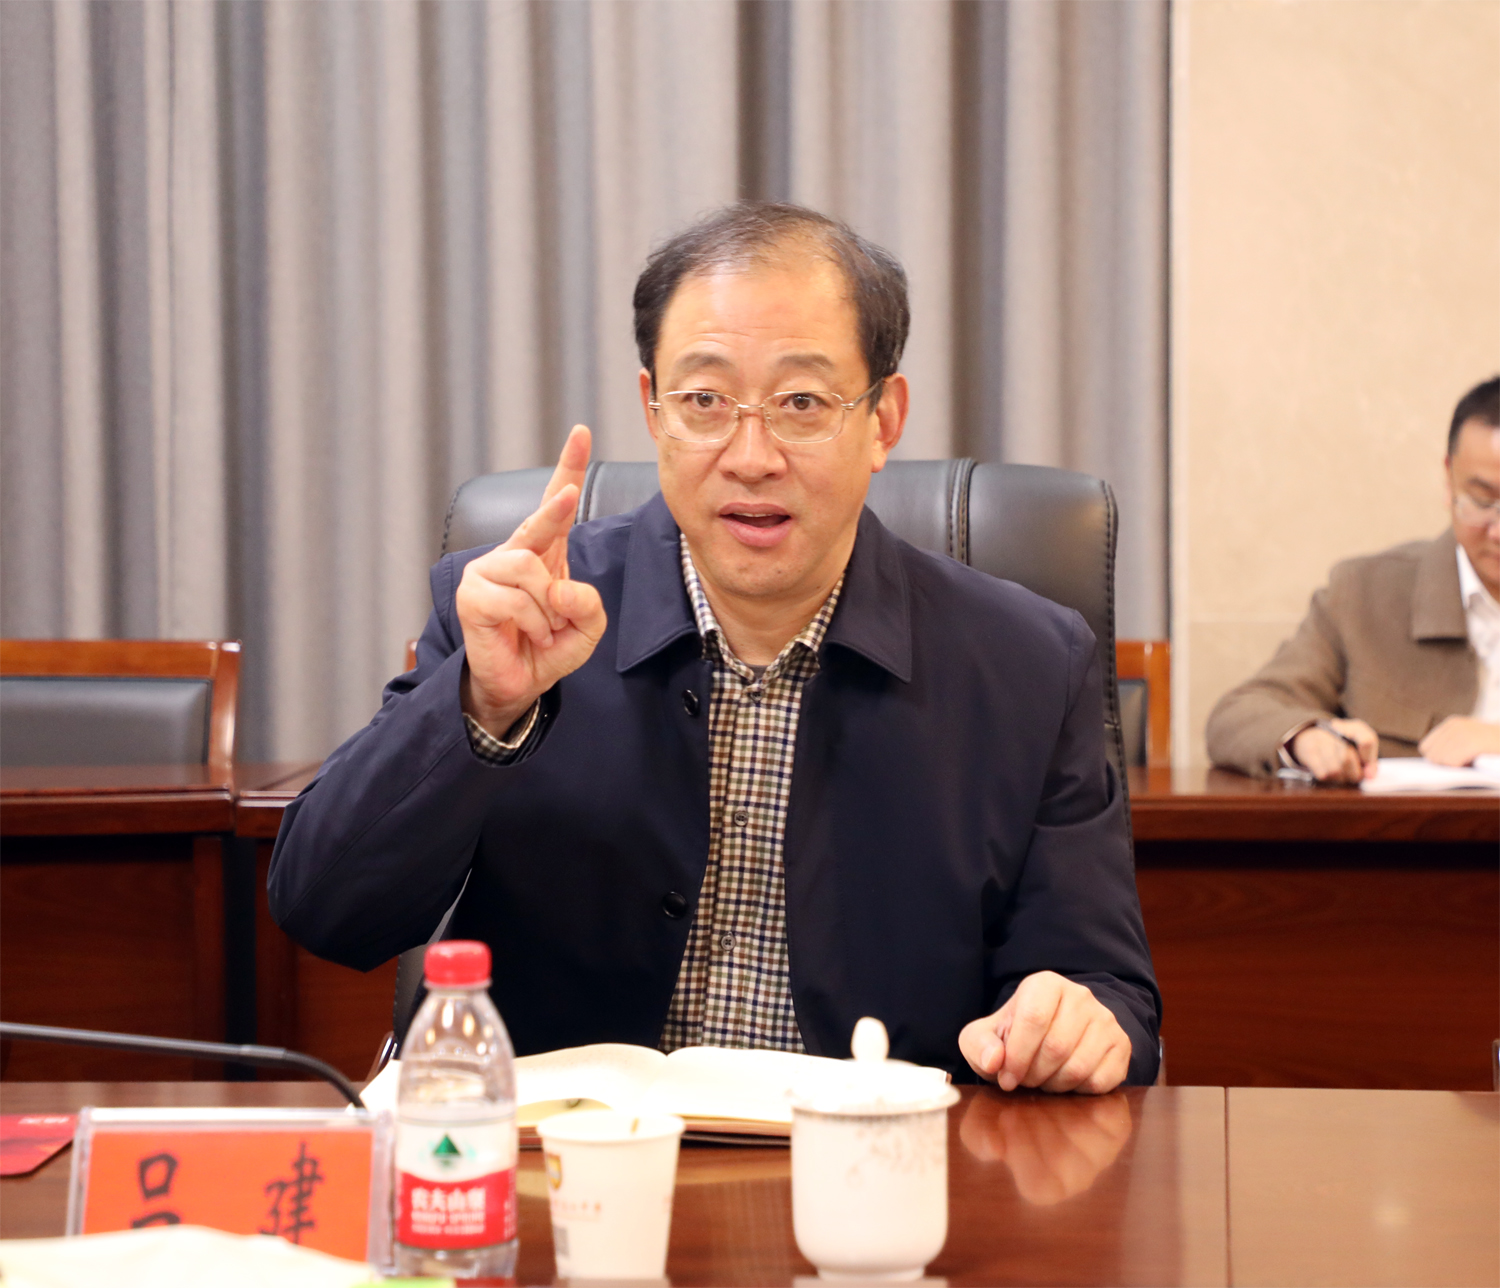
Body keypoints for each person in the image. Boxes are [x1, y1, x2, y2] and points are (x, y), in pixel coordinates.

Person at [269, 202, 1160, 1093]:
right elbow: (325, 912)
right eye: (705, 401)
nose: (751, 456)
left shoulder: (1029, 664)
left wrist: (1075, 1021)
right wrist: (481, 706)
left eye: (802, 403)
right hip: (571, 1159)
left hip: (871, 1162)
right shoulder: (522, 612)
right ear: (653, 410)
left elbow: (1108, 995)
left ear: (883, 421)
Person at [1206, 376, 1500, 782]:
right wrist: (1307, 738)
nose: (1497, 531)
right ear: (1449, 480)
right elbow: (1239, 714)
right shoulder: (1363, 595)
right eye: (1482, 500)